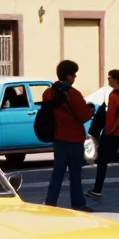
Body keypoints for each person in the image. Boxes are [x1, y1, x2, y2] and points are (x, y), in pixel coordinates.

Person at [43, 60, 95, 211]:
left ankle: (51, 202)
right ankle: (78, 203)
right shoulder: (73, 94)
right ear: (68, 75)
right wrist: (90, 110)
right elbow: (84, 115)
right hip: (74, 139)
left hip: (58, 138)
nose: (75, 78)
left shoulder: (48, 93)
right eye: (73, 75)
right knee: (75, 175)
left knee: (57, 174)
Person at [86, 69, 119, 202]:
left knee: (102, 162)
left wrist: (109, 132)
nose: (108, 80)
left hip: (112, 134)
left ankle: (97, 191)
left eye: (109, 78)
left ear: (115, 79)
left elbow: (116, 116)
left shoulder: (113, 96)